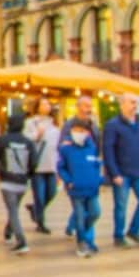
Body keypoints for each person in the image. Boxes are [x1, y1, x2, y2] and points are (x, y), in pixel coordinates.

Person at [103, 93, 139, 248]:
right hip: (122, 172)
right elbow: (108, 150)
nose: (134, 106)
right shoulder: (113, 125)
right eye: (131, 102)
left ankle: (134, 230)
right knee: (121, 206)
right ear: (122, 104)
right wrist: (114, 173)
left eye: (136, 103)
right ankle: (118, 236)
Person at [0, 114, 37, 254]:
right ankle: (8, 231)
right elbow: (34, 162)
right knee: (13, 209)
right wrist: (29, 175)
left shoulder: (3, 140)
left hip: (7, 181)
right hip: (22, 182)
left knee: (12, 210)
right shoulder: (28, 142)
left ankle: (21, 241)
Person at [58, 119, 103, 257]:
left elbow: (96, 165)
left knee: (95, 212)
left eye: (82, 131)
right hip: (76, 190)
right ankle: (82, 242)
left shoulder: (92, 148)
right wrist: (68, 181)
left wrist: (99, 180)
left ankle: (82, 232)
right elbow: (61, 167)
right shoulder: (66, 149)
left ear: (87, 133)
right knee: (79, 215)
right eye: (75, 131)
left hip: (91, 188)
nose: (78, 134)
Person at [59, 95, 101, 238]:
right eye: (85, 106)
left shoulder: (93, 124)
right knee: (81, 208)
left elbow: (97, 146)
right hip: (75, 172)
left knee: (88, 209)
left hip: (89, 173)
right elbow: (62, 146)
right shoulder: (69, 125)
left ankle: (73, 227)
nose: (88, 109)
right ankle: (86, 241)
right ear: (78, 107)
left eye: (90, 106)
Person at [23, 97, 61, 234]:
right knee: (39, 195)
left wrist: (59, 166)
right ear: (37, 106)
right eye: (43, 103)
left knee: (51, 192)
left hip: (51, 164)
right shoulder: (31, 122)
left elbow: (57, 146)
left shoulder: (54, 124)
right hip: (37, 164)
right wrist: (37, 134)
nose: (47, 106)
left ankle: (35, 210)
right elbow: (26, 140)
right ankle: (41, 223)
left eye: (48, 103)